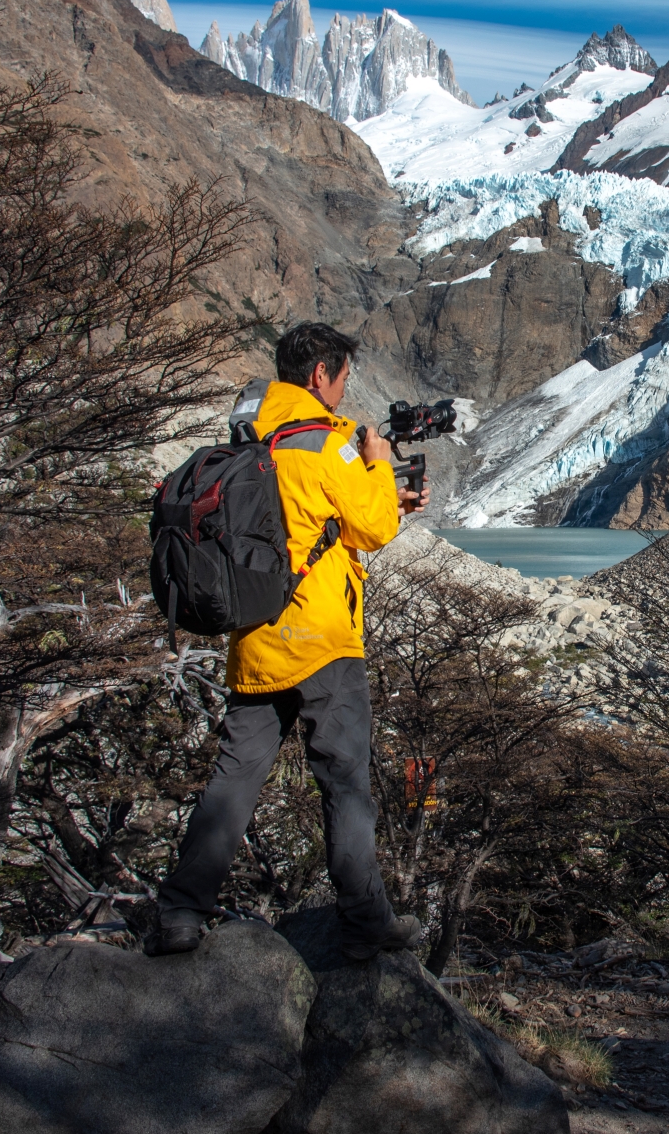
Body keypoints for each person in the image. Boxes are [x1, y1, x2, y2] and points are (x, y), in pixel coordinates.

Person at [152, 322, 427, 959]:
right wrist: (381, 468)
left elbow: (311, 526)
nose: (341, 391)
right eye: (340, 378)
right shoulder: (327, 444)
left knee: (233, 779)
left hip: (255, 638)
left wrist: (379, 498)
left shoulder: (252, 440)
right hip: (324, 640)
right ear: (318, 376)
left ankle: (179, 915)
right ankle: (366, 921)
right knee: (344, 780)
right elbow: (374, 526)